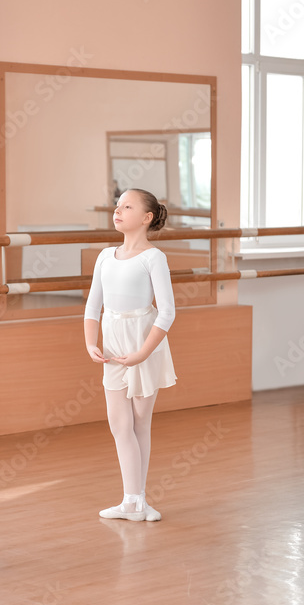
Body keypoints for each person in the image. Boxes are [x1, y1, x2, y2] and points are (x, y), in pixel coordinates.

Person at [84, 188, 177, 522]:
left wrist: (142, 353)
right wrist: (90, 342)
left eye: (127, 206)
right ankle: (130, 502)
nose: (117, 210)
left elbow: (166, 312)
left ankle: (138, 501)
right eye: (117, 205)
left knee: (140, 422)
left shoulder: (154, 258)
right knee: (118, 424)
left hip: (143, 344)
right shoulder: (105, 256)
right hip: (112, 346)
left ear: (147, 217)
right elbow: (94, 305)